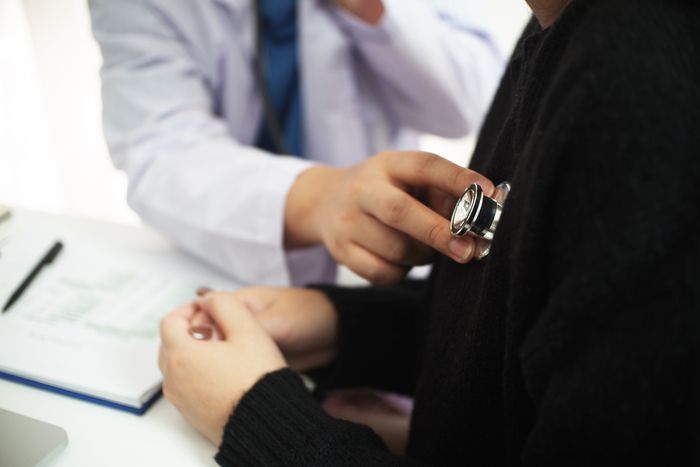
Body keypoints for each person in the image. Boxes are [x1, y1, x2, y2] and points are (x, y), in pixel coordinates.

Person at [159, 0, 700, 464]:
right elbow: (519, 324)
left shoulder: (637, 81)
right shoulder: (559, 27)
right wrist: (343, 324)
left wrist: (256, 416)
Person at [89, 0, 504, 286]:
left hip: (388, 281)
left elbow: (470, 105)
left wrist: (370, 9)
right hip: (219, 264)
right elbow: (158, 149)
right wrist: (324, 199)